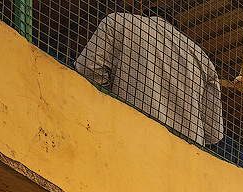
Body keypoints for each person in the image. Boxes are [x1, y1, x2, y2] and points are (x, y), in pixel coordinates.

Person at [77, 1, 225, 148]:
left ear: (146, 16)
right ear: (174, 26)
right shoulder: (203, 60)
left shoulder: (119, 22)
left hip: (130, 140)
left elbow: (87, 69)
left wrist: (111, 98)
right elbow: (213, 132)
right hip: (186, 154)